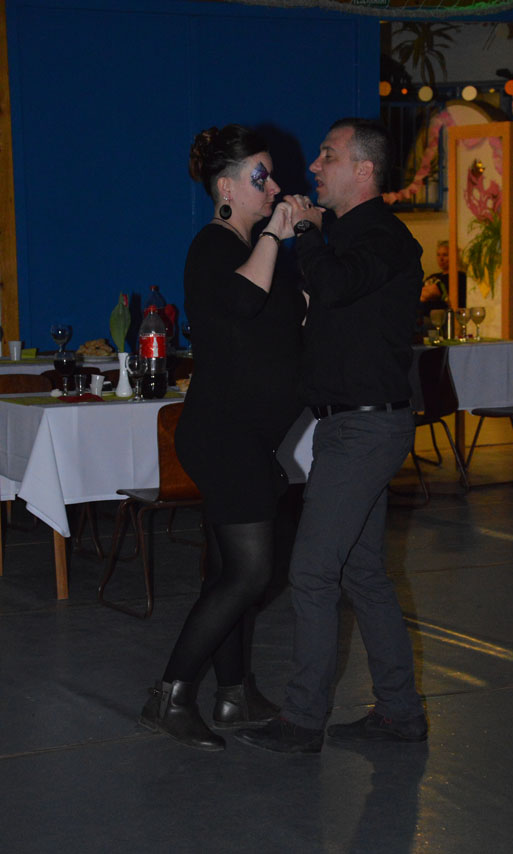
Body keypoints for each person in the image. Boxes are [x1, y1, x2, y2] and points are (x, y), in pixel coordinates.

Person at [236, 117, 428, 754]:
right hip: (350, 424)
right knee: (362, 573)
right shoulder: (348, 236)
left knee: (313, 573)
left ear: (364, 170)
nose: (315, 167)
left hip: (366, 427)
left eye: (328, 155)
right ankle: (399, 713)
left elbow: (335, 285)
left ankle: (301, 721)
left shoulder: (384, 237)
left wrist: (307, 234)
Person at [139, 124, 305, 752]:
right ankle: (170, 696)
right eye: (261, 175)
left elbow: (293, 316)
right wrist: (273, 236)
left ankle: (234, 695)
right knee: (253, 573)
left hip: (246, 437)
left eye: (272, 173)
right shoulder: (212, 247)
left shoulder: (259, 252)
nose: (275, 186)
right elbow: (240, 302)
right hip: (223, 435)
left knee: (233, 572)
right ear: (227, 188)